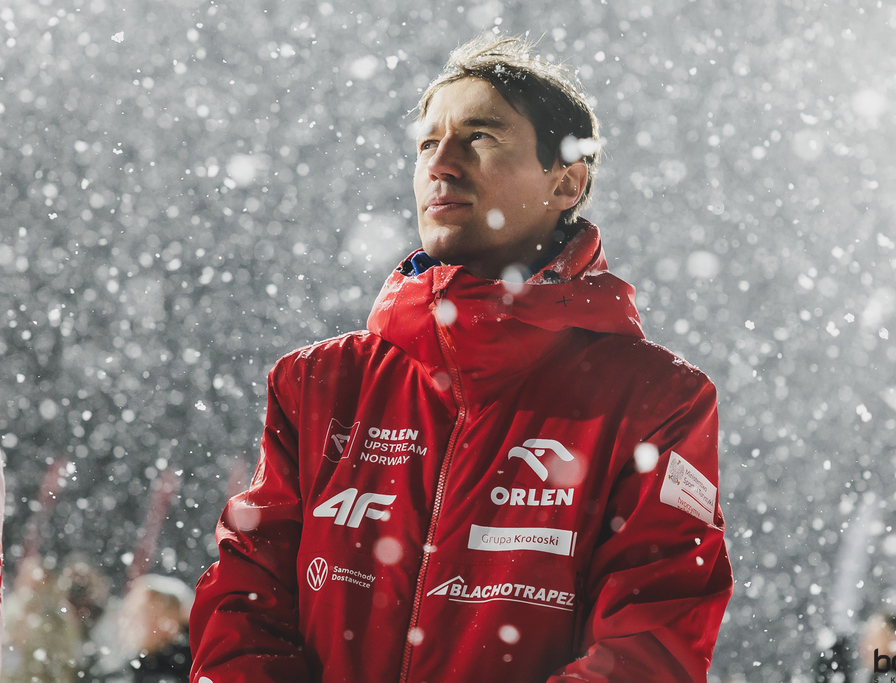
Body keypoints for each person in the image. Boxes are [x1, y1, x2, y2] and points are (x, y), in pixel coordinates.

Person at [190, 34, 733, 683]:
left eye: (479, 137)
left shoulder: (659, 401)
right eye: (427, 144)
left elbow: (650, 644)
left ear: (566, 181)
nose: (441, 164)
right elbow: (243, 605)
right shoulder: (315, 383)